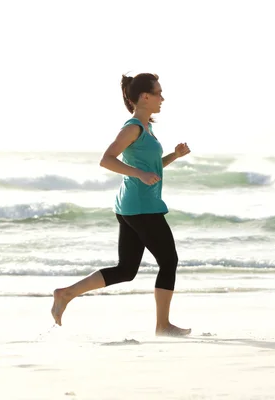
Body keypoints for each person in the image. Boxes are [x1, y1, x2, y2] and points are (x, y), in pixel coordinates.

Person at [51, 73, 192, 336]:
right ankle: (162, 325)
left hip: (133, 205)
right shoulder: (133, 127)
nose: (163, 98)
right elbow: (107, 159)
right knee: (169, 260)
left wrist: (174, 155)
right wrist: (139, 174)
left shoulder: (146, 127)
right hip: (141, 207)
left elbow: (151, 167)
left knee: (126, 270)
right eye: (159, 92)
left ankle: (66, 293)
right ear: (144, 97)